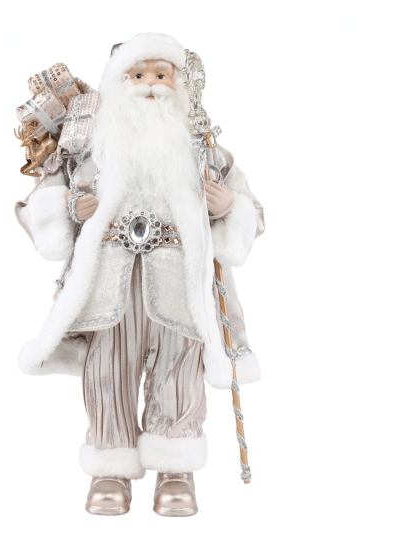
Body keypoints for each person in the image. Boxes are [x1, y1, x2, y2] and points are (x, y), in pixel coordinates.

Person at [15, 33, 264, 516]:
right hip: (108, 281)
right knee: (108, 369)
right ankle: (109, 463)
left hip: (181, 281)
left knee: (180, 367)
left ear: (179, 84)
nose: (150, 85)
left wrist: (229, 206)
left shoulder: (204, 149)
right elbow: (37, 204)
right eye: (138, 75)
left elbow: (251, 208)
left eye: (161, 75)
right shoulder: (88, 149)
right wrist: (68, 206)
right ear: (118, 83)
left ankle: (175, 465)